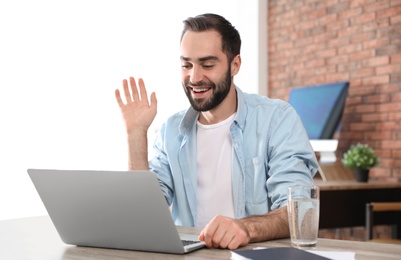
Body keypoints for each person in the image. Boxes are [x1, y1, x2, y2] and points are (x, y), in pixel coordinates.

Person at [115, 13, 318, 250]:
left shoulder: (277, 119)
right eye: (186, 65)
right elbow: (144, 216)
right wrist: (136, 134)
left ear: (235, 65)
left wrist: (246, 228)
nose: (194, 77)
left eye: (207, 65)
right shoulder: (171, 130)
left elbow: (299, 211)